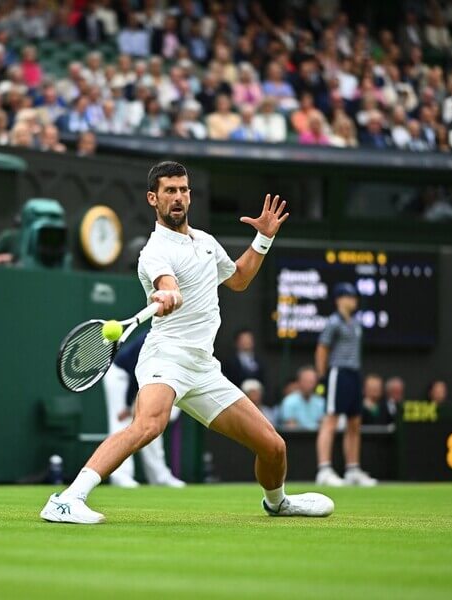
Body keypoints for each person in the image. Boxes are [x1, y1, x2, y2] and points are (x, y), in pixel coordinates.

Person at [41, 161, 333, 523]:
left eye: (182, 190)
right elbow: (166, 282)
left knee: (273, 447)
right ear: (153, 198)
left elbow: (239, 280)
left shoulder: (206, 243)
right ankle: (67, 499)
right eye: (169, 191)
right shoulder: (154, 252)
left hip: (203, 367)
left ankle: (277, 502)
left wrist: (264, 238)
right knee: (149, 425)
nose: (177, 197)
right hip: (166, 356)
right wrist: (168, 293)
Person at [102, 331, 185, 488]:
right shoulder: (150, 340)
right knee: (122, 423)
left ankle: (159, 477)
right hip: (120, 377)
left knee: (151, 423)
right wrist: (128, 406)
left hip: (143, 381)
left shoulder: (176, 342)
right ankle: (121, 476)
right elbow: (135, 373)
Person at [314, 283, 377, 487]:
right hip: (337, 373)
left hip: (354, 374)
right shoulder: (333, 322)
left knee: (354, 422)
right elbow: (322, 350)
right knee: (330, 420)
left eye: (354, 296)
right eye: (349, 296)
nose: (354, 300)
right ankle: (324, 469)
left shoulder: (356, 324)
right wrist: (323, 377)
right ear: (339, 300)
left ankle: (352, 470)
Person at [279, 366, 325, 430]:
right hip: (296, 438)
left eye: (311, 381)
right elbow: (290, 426)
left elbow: (323, 424)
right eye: (305, 380)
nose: (309, 384)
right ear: (299, 382)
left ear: (316, 383)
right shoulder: (289, 401)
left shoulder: (321, 402)